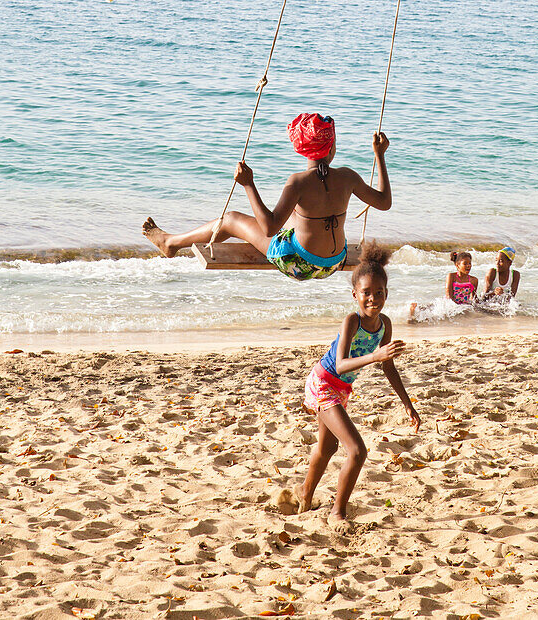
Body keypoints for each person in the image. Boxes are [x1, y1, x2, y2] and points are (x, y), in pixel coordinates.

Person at [142, 113, 392, 280]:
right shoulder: (348, 176)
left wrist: (249, 185)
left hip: (301, 265)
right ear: (332, 146)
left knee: (231, 219)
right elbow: (384, 202)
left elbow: (270, 228)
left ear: (300, 148)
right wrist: (379, 155)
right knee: (299, 219)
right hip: (334, 263)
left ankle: (171, 243)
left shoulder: (298, 182)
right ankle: (171, 242)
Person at [297, 245, 420, 526]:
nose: (373, 299)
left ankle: (304, 493)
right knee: (357, 450)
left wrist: (407, 404)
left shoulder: (385, 324)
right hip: (323, 382)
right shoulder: (352, 320)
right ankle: (337, 513)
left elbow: (388, 365)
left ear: (387, 294)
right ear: (356, 295)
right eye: (366, 293)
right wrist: (375, 355)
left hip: (341, 389)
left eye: (379, 293)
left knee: (327, 449)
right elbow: (340, 364)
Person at [408, 249, 478, 322]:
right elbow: (449, 296)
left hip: (462, 307)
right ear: (457, 265)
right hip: (449, 304)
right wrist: (458, 308)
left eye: (470, 263)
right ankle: (413, 311)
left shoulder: (474, 280)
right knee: (433, 313)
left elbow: (474, 299)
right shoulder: (451, 276)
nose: (468, 266)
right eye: (465, 264)